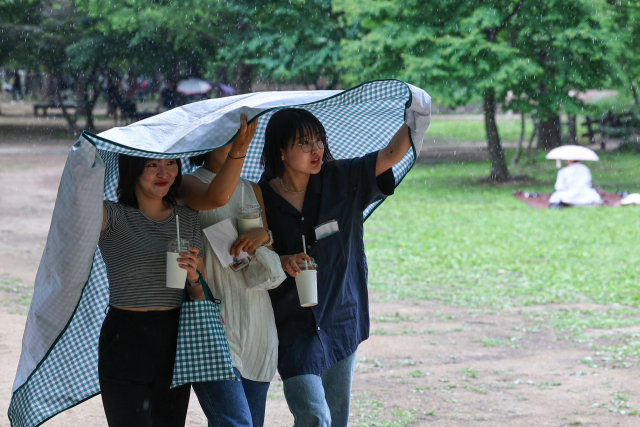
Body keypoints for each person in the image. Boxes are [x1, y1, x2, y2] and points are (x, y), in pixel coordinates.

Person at [258, 108, 412, 427]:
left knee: (336, 417)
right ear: (281, 152)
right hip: (291, 323)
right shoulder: (259, 197)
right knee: (314, 414)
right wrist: (282, 260)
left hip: (340, 314)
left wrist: (416, 119)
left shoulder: (342, 178)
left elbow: (390, 154)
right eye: (304, 142)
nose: (317, 149)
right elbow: (257, 257)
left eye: (319, 140)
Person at [181, 114, 285, 427]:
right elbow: (216, 197)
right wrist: (239, 150)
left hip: (257, 323)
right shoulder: (187, 183)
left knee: (250, 422)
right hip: (213, 320)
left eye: (237, 137)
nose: (233, 143)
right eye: (225, 138)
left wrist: (264, 236)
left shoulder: (253, 190)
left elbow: (264, 253)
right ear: (206, 142)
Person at [98, 153, 205, 427]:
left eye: (170, 164)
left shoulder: (187, 219)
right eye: (152, 165)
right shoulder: (111, 215)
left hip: (174, 338)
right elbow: (76, 209)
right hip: (125, 337)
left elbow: (199, 295)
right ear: (133, 170)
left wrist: (194, 278)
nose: (164, 173)